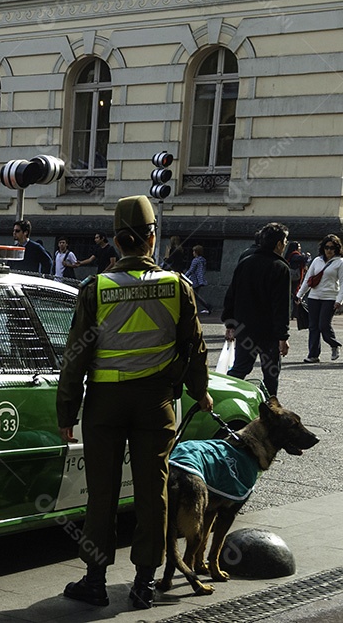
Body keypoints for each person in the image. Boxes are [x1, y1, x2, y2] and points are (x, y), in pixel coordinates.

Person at [57, 195, 212, 610]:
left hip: (104, 405)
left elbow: (76, 355)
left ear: (116, 242)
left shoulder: (96, 288)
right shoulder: (178, 287)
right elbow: (195, 349)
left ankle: (94, 580)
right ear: (151, 238)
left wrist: (66, 410)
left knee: (101, 494)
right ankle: (144, 583)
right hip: (155, 404)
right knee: (153, 493)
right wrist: (201, 392)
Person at [221, 222, 291, 397]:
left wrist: (229, 323)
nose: (286, 245)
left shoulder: (245, 262)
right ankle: (271, 408)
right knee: (271, 373)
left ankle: (224, 396)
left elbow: (231, 295)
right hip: (268, 332)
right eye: (285, 241)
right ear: (279, 244)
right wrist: (283, 336)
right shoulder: (280, 267)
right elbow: (280, 306)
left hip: (244, 327)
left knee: (240, 368)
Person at [294, 234, 343, 363]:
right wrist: (300, 295)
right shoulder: (317, 261)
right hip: (314, 297)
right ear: (323, 248)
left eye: (332, 248)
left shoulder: (340, 263)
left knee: (323, 325)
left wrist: (339, 300)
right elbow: (308, 279)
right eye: (326, 247)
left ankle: (334, 344)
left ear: (336, 249)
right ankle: (313, 354)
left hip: (330, 297)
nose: (329, 250)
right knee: (313, 326)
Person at [285, 241, 310, 318]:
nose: (300, 248)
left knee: (293, 294)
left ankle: (294, 313)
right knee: (295, 294)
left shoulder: (289, 255)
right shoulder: (294, 255)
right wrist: (307, 256)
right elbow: (304, 259)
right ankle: (294, 313)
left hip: (291, 277)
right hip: (295, 277)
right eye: (298, 246)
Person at [186, 244, 210, 314]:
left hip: (194, 280)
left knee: (194, 295)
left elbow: (191, 270)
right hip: (200, 280)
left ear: (196, 252)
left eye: (194, 251)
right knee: (195, 295)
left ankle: (207, 306)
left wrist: (184, 276)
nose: (193, 253)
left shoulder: (195, 260)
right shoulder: (203, 260)